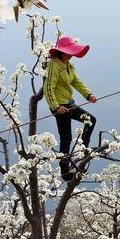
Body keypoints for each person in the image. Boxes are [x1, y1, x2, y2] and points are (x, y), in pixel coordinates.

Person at [44, 35, 99, 181]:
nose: (71, 54)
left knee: (90, 121)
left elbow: (76, 81)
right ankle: (64, 171)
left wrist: (89, 95)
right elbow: (48, 87)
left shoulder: (69, 65)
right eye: (69, 51)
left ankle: (83, 150)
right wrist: (56, 107)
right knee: (66, 137)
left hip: (69, 103)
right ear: (61, 51)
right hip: (60, 105)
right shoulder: (53, 66)